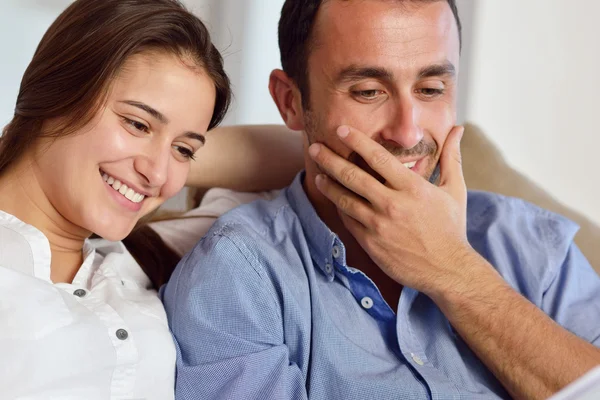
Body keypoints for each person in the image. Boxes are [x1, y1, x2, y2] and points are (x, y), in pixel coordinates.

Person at [162, 0, 600, 399]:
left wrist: (457, 272)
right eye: (369, 91)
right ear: (291, 102)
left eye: (431, 89)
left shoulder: (536, 247)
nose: (408, 133)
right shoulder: (239, 278)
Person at [0, 0, 301, 398]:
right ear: (55, 92)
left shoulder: (136, 260)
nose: (159, 174)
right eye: (137, 123)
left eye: (185, 151)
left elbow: (310, 155)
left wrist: (150, 152)